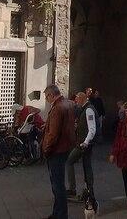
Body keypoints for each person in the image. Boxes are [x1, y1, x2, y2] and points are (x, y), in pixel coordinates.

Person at [42, 84, 77, 219]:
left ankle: (61, 215)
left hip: (56, 150)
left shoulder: (57, 108)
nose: (46, 99)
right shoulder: (68, 104)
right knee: (58, 183)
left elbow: (53, 134)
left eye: (46, 97)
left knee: (57, 185)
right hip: (66, 147)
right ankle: (57, 213)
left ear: (51, 95)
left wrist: (46, 148)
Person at [67, 91, 97, 202]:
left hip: (84, 144)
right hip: (84, 142)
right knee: (86, 166)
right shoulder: (85, 109)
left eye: (77, 99)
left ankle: (72, 188)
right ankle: (88, 191)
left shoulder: (88, 109)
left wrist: (86, 142)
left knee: (70, 161)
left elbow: (92, 128)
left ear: (82, 98)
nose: (76, 102)